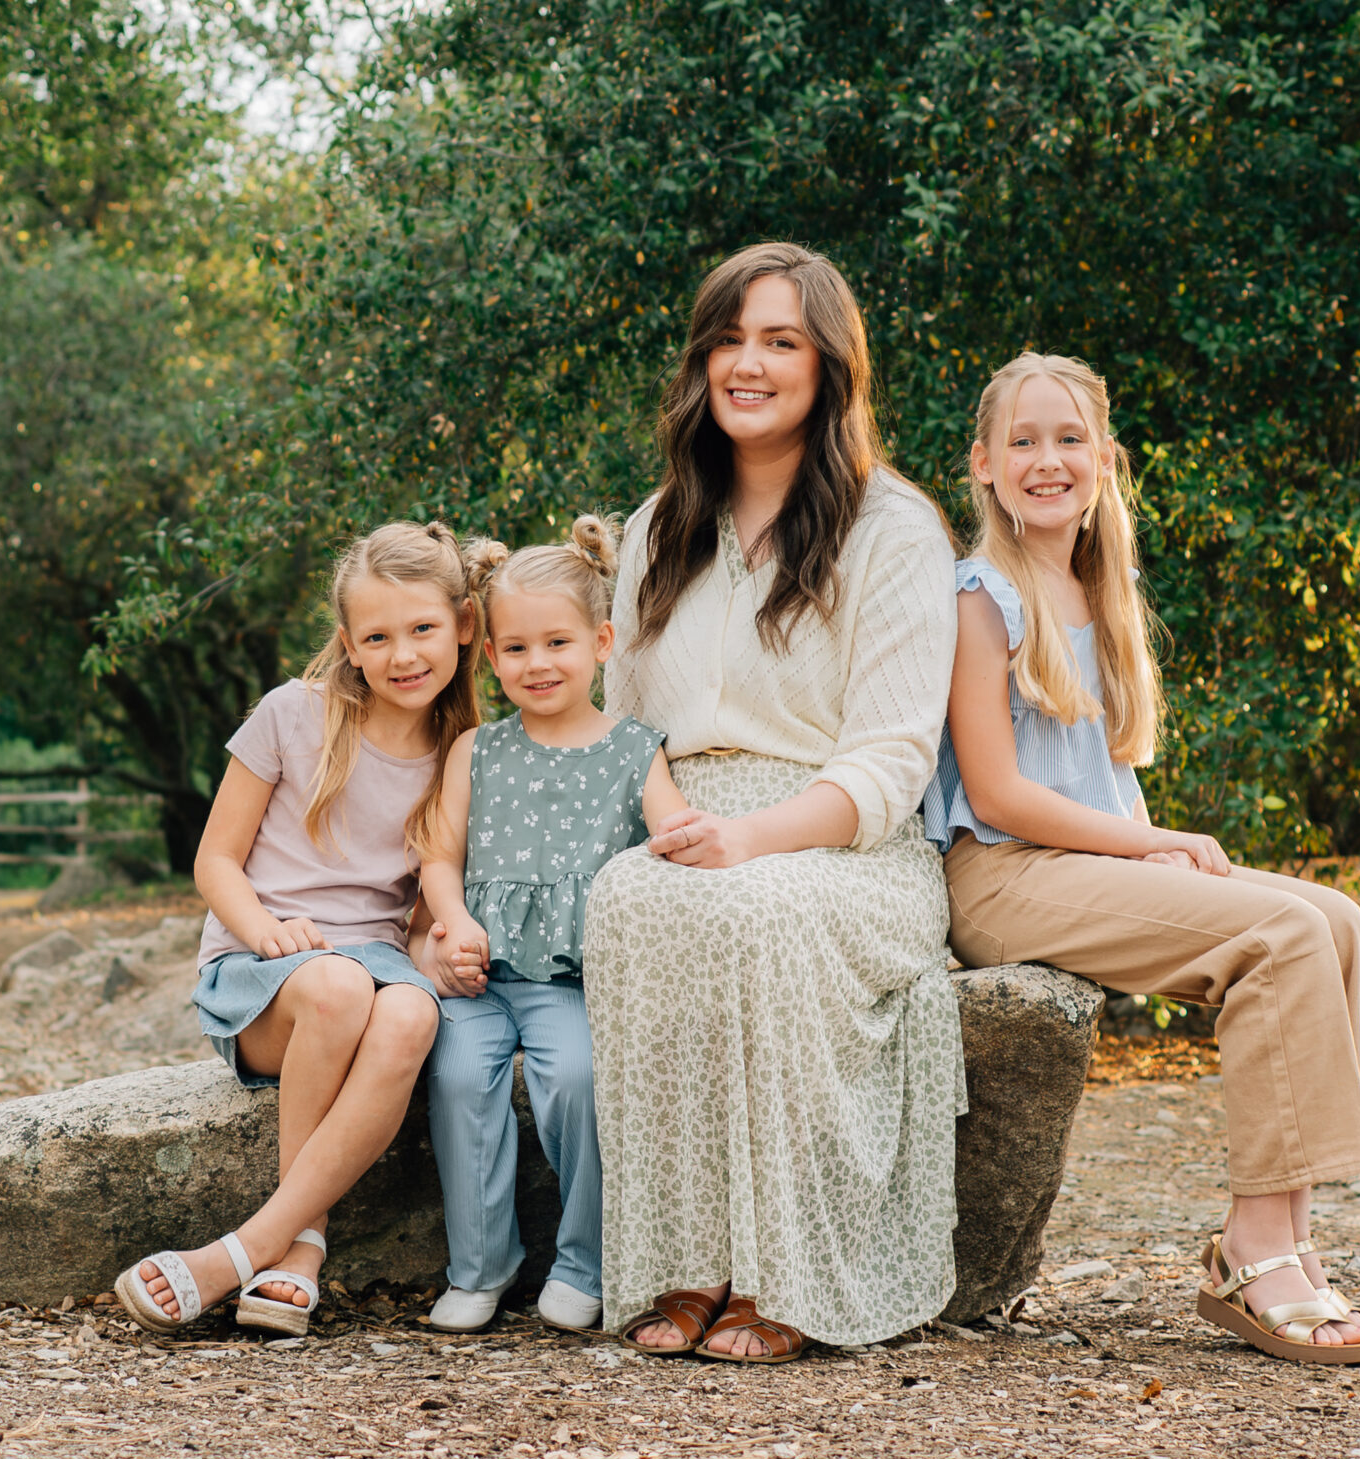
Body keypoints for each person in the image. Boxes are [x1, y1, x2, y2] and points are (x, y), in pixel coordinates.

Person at [935, 351, 1360, 1365]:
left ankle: (1286, 1238)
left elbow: (1100, 780)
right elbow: (1001, 793)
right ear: (981, 467)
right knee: (1276, 936)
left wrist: (1150, 854)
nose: (1045, 461)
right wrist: (1158, 847)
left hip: (1082, 866)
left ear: (1104, 458)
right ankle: (1254, 1251)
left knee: (1337, 921)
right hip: (1001, 876)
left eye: (1067, 439)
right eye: (1021, 441)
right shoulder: (980, 597)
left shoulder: (1104, 587)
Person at [583, 241, 965, 1364]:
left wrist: (750, 839)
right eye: (728, 339)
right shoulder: (660, 526)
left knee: (755, 913)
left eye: (779, 342)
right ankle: (690, 1262)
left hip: (843, 844)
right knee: (628, 901)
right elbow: (625, 725)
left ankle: (787, 1273)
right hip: (686, 820)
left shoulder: (892, 529)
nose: (746, 364)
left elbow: (892, 762)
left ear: (828, 367)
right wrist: (668, 823)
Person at [114, 521, 491, 1339]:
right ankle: (299, 1243)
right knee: (335, 985)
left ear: (464, 624)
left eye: (423, 628)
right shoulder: (293, 714)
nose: (404, 654)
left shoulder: (460, 755)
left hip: (373, 967)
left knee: (414, 1011)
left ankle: (249, 1246)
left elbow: (423, 914)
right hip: (265, 974)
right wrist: (263, 929)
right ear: (349, 644)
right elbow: (215, 861)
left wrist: (447, 949)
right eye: (379, 636)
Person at [412, 518, 688, 1334]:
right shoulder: (477, 750)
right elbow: (438, 855)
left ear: (602, 642)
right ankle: (480, 1268)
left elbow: (672, 833)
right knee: (461, 1078)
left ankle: (585, 1262)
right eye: (518, 649)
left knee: (578, 1077)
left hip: (568, 979)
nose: (539, 664)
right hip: (477, 977)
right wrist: (451, 923)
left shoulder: (635, 751)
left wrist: (695, 841)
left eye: (558, 643)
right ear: (490, 656)